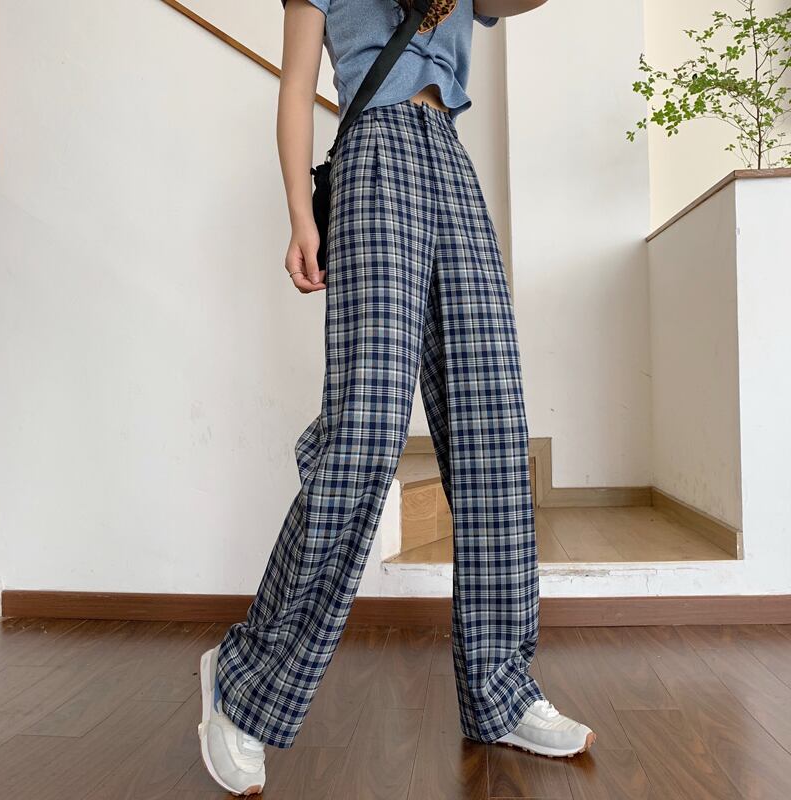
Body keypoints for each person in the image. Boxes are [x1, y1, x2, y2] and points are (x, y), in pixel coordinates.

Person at [196, 0, 595, 794]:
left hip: (449, 154)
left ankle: (499, 688)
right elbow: (297, 84)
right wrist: (301, 214)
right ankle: (244, 683)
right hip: (373, 154)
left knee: (491, 429)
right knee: (366, 433)